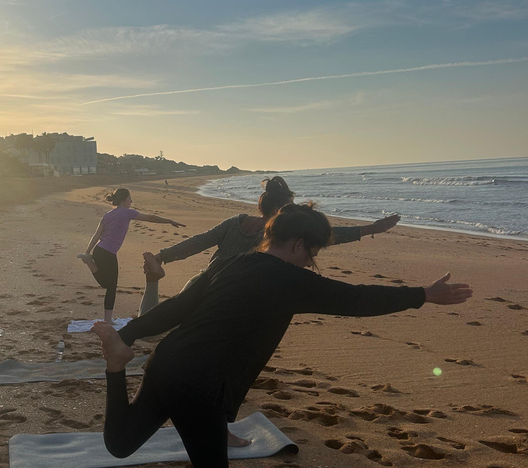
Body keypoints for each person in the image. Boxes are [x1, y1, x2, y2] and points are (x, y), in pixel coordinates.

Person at [92, 203, 472, 468]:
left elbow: (178, 308)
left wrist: (128, 335)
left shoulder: (231, 264)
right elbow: (357, 298)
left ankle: (116, 366)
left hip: (168, 360)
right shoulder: (292, 280)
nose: (311, 261)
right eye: (313, 252)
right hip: (200, 384)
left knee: (121, 444)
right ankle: (117, 363)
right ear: (297, 245)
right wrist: (423, 295)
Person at [138, 176, 400, 315]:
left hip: (202, 281)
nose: (294, 214)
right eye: (290, 209)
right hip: (228, 298)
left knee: (152, 322)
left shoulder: (234, 222)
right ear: (278, 210)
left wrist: (163, 256)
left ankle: (153, 280)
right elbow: (328, 235)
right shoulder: (276, 234)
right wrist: (370, 229)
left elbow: (199, 242)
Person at [78, 188, 186, 323]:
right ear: (124, 200)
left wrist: (88, 251)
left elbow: (97, 235)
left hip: (99, 251)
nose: (131, 201)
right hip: (108, 253)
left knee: (107, 284)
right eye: (130, 199)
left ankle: (89, 261)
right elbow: (150, 218)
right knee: (110, 287)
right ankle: (107, 320)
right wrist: (169, 220)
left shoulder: (107, 215)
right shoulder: (127, 213)